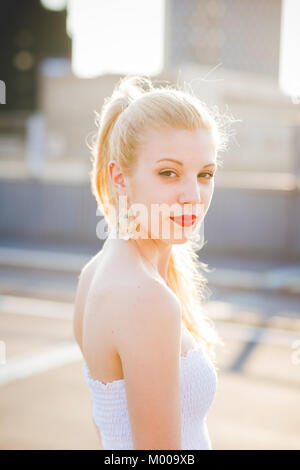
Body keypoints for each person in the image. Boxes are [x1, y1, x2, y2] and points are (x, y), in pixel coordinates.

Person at [73, 74, 230, 450]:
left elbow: (111, 432)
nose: (193, 196)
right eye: (169, 173)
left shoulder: (94, 274)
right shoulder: (148, 299)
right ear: (120, 178)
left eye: (205, 174)